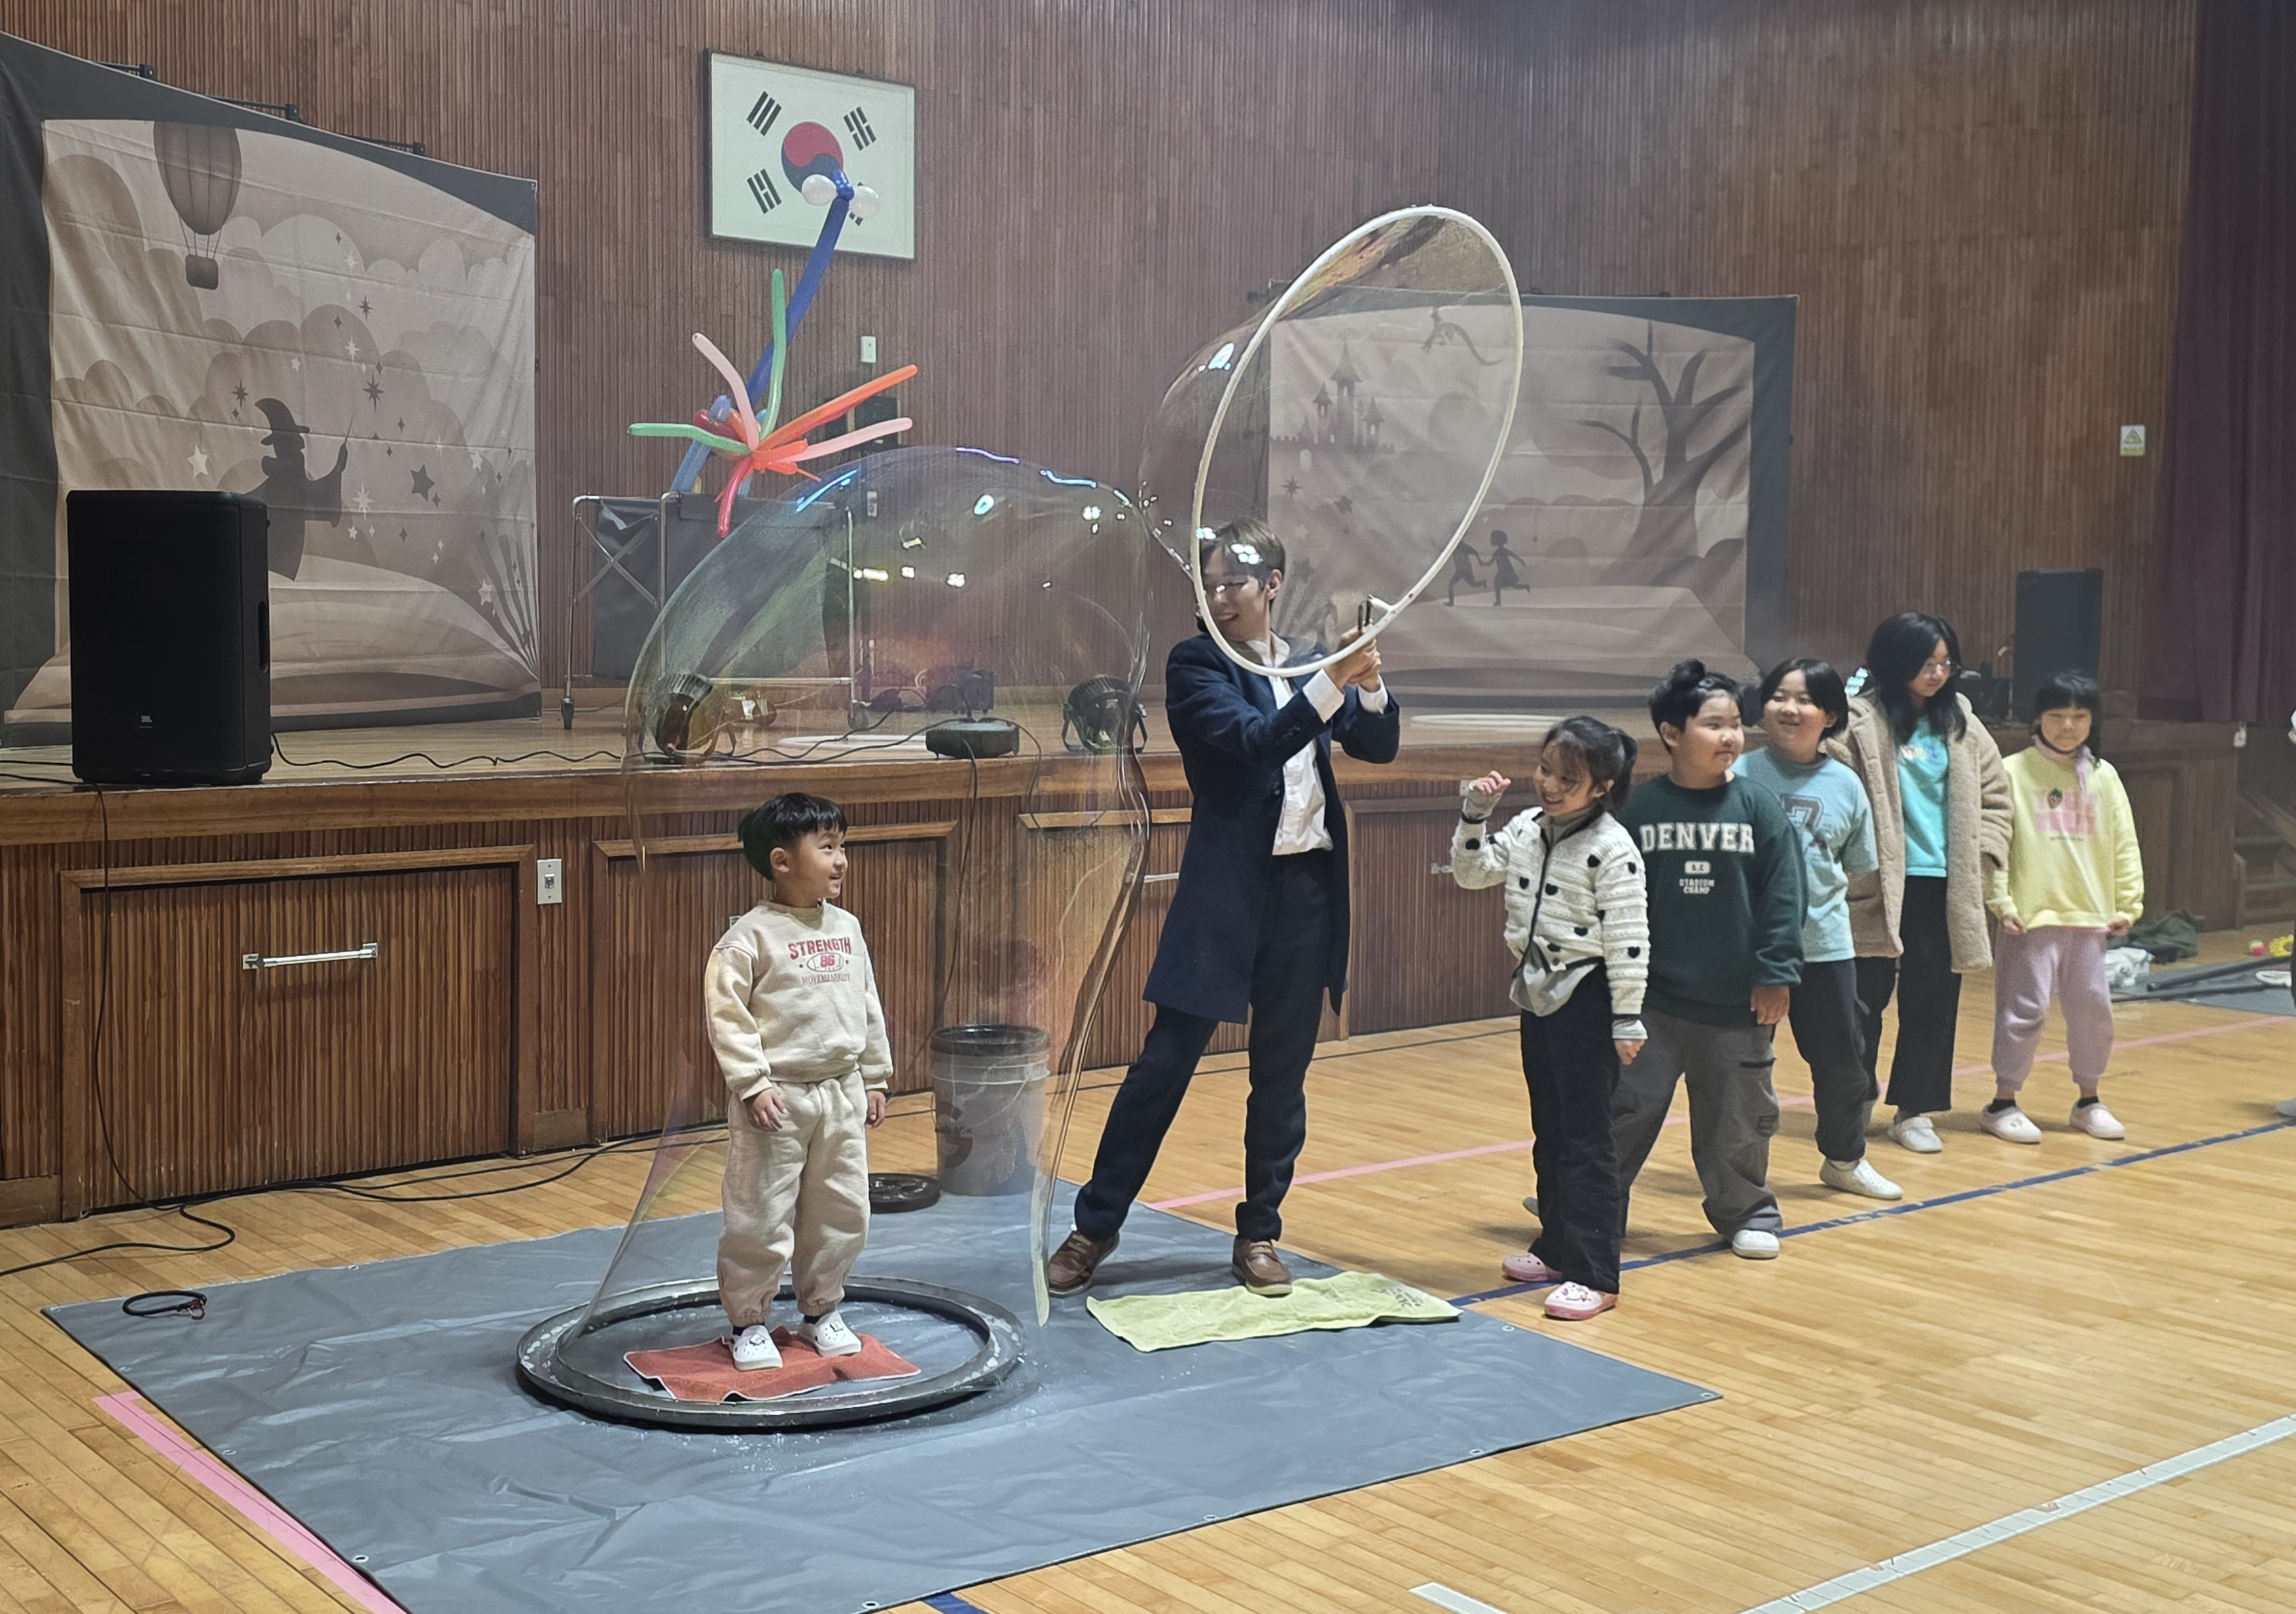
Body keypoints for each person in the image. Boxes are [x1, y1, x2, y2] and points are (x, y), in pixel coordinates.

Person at [1047, 519, 1401, 1297]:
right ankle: (1093, 1227)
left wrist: (1367, 680)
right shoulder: (1197, 663)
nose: (1218, 597)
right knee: (1163, 1063)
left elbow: (1377, 746)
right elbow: (1257, 741)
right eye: (1207, 585)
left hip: (1306, 891)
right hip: (1225, 892)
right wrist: (1332, 680)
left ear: (1272, 584)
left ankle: (1259, 1232)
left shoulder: (1307, 661)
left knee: (1282, 1073)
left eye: (1232, 583)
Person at [1450, 717, 1647, 1321]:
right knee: (1552, 1129)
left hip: (1589, 997)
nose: (1550, 785)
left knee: (1588, 1139)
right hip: (1535, 992)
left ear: (1603, 787)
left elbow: (1630, 939)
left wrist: (1628, 1017)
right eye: (1545, 770)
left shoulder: (1613, 847)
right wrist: (1475, 816)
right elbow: (1472, 874)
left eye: (1568, 778)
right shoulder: (1527, 828)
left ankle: (1596, 1273)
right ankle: (1557, 1247)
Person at [1613, 661, 1804, 1259]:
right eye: (1714, 725)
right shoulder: (1640, 810)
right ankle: (1590, 1205)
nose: (1730, 737)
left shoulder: (1759, 808)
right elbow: (1612, 901)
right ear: (1672, 734)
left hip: (1737, 1002)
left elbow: (1784, 897)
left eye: (1736, 725)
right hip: (1652, 1001)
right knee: (1623, 1109)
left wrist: (1776, 972)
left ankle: (1748, 1213)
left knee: (1739, 1118)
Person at [706, 792, 891, 1371]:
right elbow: (728, 1018)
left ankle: (821, 1310)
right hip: (777, 1100)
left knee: (842, 1209)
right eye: (827, 847)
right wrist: (752, 1084)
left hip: (841, 1093)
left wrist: (875, 1075)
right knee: (761, 1213)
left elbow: (867, 1004)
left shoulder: (847, 928)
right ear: (782, 861)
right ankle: (748, 1321)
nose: (841, 860)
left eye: (843, 847)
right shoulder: (749, 938)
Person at [1830, 613, 2009, 1155]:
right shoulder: (1856, 721)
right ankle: (1855, 1097)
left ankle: (1916, 1110)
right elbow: (1836, 795)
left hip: (1943, 886)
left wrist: (1983, 856)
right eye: (1925, 663)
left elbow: (1997, 798)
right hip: (1875, 884)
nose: (1936, 674)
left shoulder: (1963, 723)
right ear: (1894, 661)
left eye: (1945, 664)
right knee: (1862, 1002)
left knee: (1933, 1003)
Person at [1738, 658, 1901, 1200]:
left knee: (1843, 1064)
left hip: (1825, 947)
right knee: (1741, 1067)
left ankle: (1844, 1159)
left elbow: (1855, 865)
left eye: (1805, 700)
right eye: (1779, 696)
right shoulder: (1738, 774)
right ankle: (1738, 1175)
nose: (1789, 708)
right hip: (1749, 949)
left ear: (1830, 715)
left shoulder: (1847, 784)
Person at [1981, 672, 2144, 1143]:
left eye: (2079, 716)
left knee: (2093, 1011)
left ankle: (2089, 1100)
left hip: (2090, 917)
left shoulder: (2104, 776)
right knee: (2024, 1009)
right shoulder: (2012, 771)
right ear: (2038, 718)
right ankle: (2003, 1102)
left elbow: (2125, 844)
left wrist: (2128, 902)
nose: (2068, 726)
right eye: (2057, 715)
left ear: (2093, 721)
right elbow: (1995, 844)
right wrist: (2001, 901)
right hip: (2031, 918)